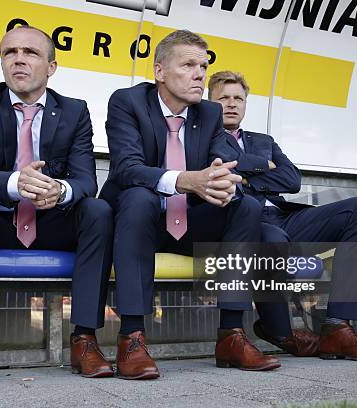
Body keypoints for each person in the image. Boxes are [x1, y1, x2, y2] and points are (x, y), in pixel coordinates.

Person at [0, 25, 114, 385]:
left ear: (51, 66)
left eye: (30, 53)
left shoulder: (75, 111)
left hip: (51, 222)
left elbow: (85, 180)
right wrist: (16, 183)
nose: (18, 59)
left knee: (98, 210)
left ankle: (84, 338)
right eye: (9, 52)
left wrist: (59, 190)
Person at [100, 30, 281, 379]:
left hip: (193, 222)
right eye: (188, 65)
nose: (200, 73)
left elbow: (224, 159)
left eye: (203, 64)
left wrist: (222, 179)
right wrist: (186, 179)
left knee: (245, 207)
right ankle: (132, 338)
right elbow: (127, 168)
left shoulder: (209, 112)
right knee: (138, 196)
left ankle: (232, 334)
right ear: (160, 72)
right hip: (141, 225)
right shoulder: (127, 101)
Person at [207, 70, 357, 361]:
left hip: (283, 216)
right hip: (241, 222)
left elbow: (292, 180)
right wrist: (264, 166)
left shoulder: (264, 139)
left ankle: (338, 327)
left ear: (245, 103)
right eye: (223, 98)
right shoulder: (203, 135)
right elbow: (219, 166)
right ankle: (279, 330)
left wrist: (246, 178)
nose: (232, 104)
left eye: (238, 98)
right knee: (272, 238)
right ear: (210, 102)